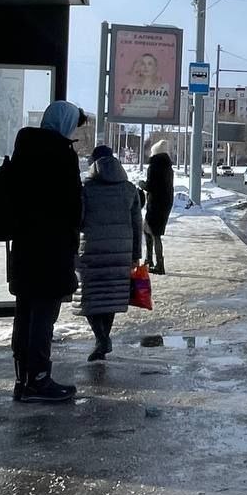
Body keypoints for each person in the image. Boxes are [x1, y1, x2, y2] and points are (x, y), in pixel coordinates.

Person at [7, 100, 85, 403]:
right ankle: (38, 380)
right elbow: (70, 207)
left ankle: (23, 379)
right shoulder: (60, 156)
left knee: (25, 312)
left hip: (26, 247)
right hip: (51, 249)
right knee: (43, 316)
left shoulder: (25, 149)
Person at [74, 145, 142, 361]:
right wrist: (135, 255)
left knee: (90, 296)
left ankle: (101, 338)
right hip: (120, 253)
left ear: (93, 163)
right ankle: (103, 338)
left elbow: (78, 220)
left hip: (91, 252)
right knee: (110, 296)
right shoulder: (129, 189)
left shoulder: (86, 189)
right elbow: (136, 224)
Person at [144, 139, 174, 274]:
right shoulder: (168, 167)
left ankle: (158, 265)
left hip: (155, 204)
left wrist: (141, 184)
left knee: (153, 233)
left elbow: (150, 186)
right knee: (150, 231)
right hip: (166, 204)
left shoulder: (154, 166)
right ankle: (149, 260)